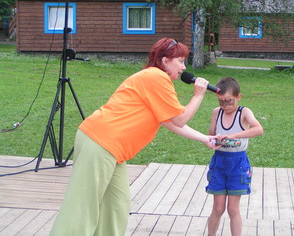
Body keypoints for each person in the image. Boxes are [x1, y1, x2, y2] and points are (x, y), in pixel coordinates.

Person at [50, 38, 222, 236]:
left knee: (116, 207)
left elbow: (170, 122)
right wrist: (198, 95)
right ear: (165, 60)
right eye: (181, 61)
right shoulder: (156, 77)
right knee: (82, 206)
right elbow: (180, 119)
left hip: (114, 150)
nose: (184, 67)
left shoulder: (155, 80)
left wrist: (204, 138)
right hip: (100, 141)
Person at [206, 77, 263, 236]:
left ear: (239, 96)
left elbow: (258, 129)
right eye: (221, 102)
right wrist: (212, 141)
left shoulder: (244, 112)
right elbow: (210, 136)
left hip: (238, 164)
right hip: (219, 162)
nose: (225, 105)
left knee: (232, 209)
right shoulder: (216, 113)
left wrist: (233, 136)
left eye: (229, 101)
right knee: (217, 208)